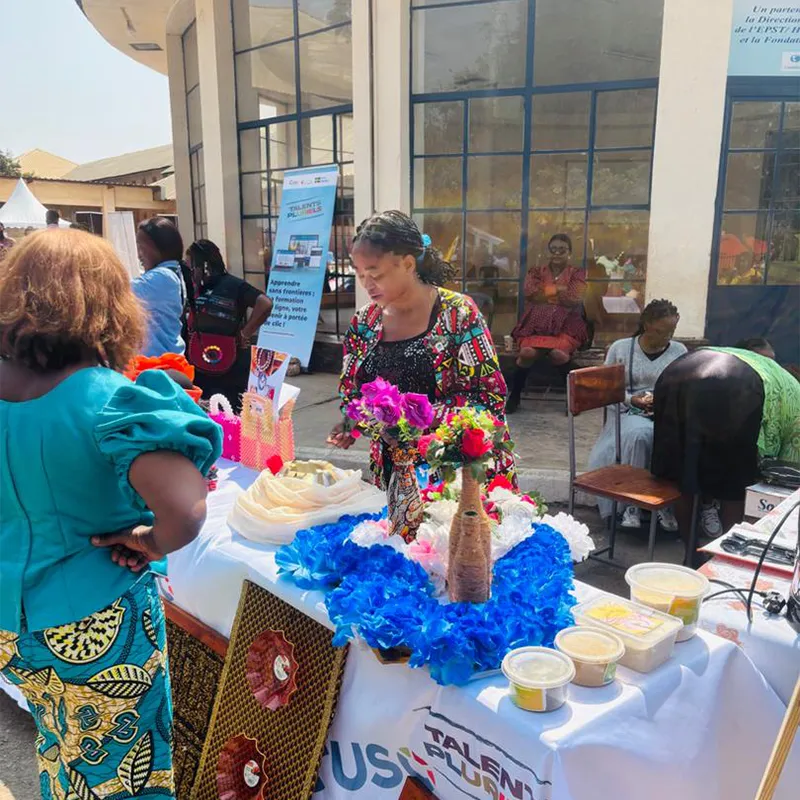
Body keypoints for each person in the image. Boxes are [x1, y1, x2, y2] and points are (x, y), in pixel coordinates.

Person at [0, 229, 222, 799]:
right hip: (97, 624)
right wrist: (150, 541)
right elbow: (185, 511)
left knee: (58, 746)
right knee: (120, 776)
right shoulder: (107, 397)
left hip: (10, 624)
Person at [327, 210, 514, 487]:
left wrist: (410, 416)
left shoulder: (458, 315)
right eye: (360, 273)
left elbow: (488, 398)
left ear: (407, 264)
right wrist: (352, 422)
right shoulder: (364, 323)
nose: (366, 284)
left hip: (455, 475)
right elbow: (353, 394)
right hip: (393, 473)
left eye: (375, 273)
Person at [652, 346, 800, 557]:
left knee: (683, 475)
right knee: (734, 484)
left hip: (678, 369)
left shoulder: (767, 368)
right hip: (737, 385)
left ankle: (691, 553)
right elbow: (788, 470)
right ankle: (725, 558)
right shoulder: (795, 395)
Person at [587, 299, 687, 531]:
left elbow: (683, 387)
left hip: (665, 414)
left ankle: (664, 502)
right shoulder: (621, 348)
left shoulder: (679, 351)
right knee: (641, 434)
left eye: (672, 331)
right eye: (661, 331)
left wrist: (663, 404)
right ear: (647, 325)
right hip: (626, 411)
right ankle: (632, 503)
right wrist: (632, 400)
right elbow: (607, 388)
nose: (667, 337)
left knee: (678, 437)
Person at [185, 238, 273, 411]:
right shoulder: (196, 288)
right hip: (199, 360)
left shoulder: (234, 285)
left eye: (191, 267)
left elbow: (265, 303)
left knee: (229, 410)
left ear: (204, 266)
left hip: (231, 364)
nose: (190, 272)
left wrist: (245, 333)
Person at [506, 233, 588, 413]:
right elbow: (530, 292)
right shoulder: (536, 271)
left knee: (558, 354)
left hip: (567, 326)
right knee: (527, 352)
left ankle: (575, 398)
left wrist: (545, 293)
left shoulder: (577, 273)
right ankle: (515, 396)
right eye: (553, 249)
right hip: (534, 325)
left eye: (562, 250)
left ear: (569, 253)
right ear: (548, 252)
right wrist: (560, 289)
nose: (557, 253)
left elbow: (574, 297)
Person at [133, 216, 191, 358]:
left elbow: (116, 290)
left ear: (159, 247)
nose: (139, 255)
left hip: (160, 364)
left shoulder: (163, 277)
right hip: (163, 362)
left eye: (141, 248)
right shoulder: (172, 273)